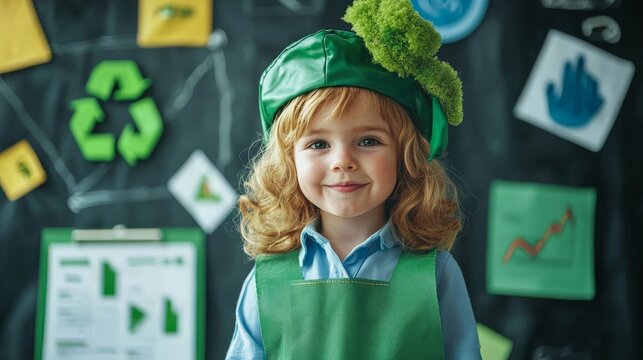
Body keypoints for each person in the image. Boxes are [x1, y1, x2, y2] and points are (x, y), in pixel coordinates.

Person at [226, 0, 481, 359]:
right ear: (288, 161)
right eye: (318, 143)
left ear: (404, 155)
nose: (342, 161)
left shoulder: (435, 274)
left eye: (368, 141)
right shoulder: (265, 283)